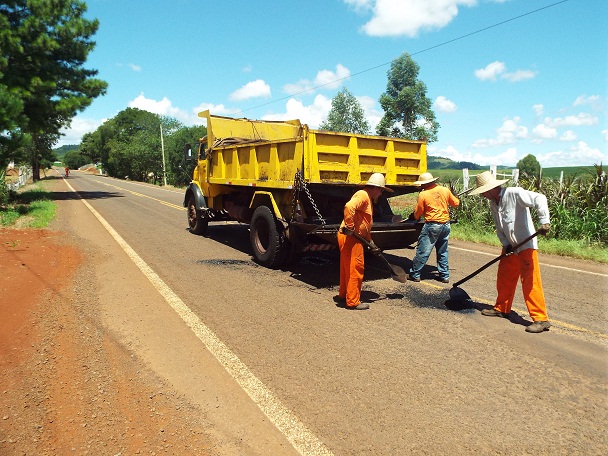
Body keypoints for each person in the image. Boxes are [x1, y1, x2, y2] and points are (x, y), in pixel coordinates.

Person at [469, 171, 551, 333]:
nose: (482, 195)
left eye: (483, 192)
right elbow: (500, 228)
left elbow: (540, 198)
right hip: (511, 246)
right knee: (505, 276)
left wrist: (544, 222)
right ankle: (502, 308)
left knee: (530, 281)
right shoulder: (494, 203)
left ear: (491, 188)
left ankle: (541, 319)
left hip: (526, 245)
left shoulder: (515, 193)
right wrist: (505, 244)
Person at [336, 173, 393, 310]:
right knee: (356, 268)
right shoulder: (362, 195)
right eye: (381, 190)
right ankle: (353, 301)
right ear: (375, 188)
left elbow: (364, 224)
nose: (381, 193)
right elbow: (349, 207)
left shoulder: (367, 198)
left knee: (347, 267)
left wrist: (370, 242)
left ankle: (344, 295)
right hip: (350, 237)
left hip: (351, 236)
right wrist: (350, 226)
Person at [408, 172, 460, 283]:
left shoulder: (423, 194)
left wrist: (413, 216)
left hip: (432, 225)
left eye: (422, 184)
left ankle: (415, 274)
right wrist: (455, 196)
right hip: (445, 224)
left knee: (423, 251)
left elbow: (418, 213)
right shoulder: (445, 190)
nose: (421, 186)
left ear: (425, 184)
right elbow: (456, 203)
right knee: (443, 251)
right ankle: (444, 276)